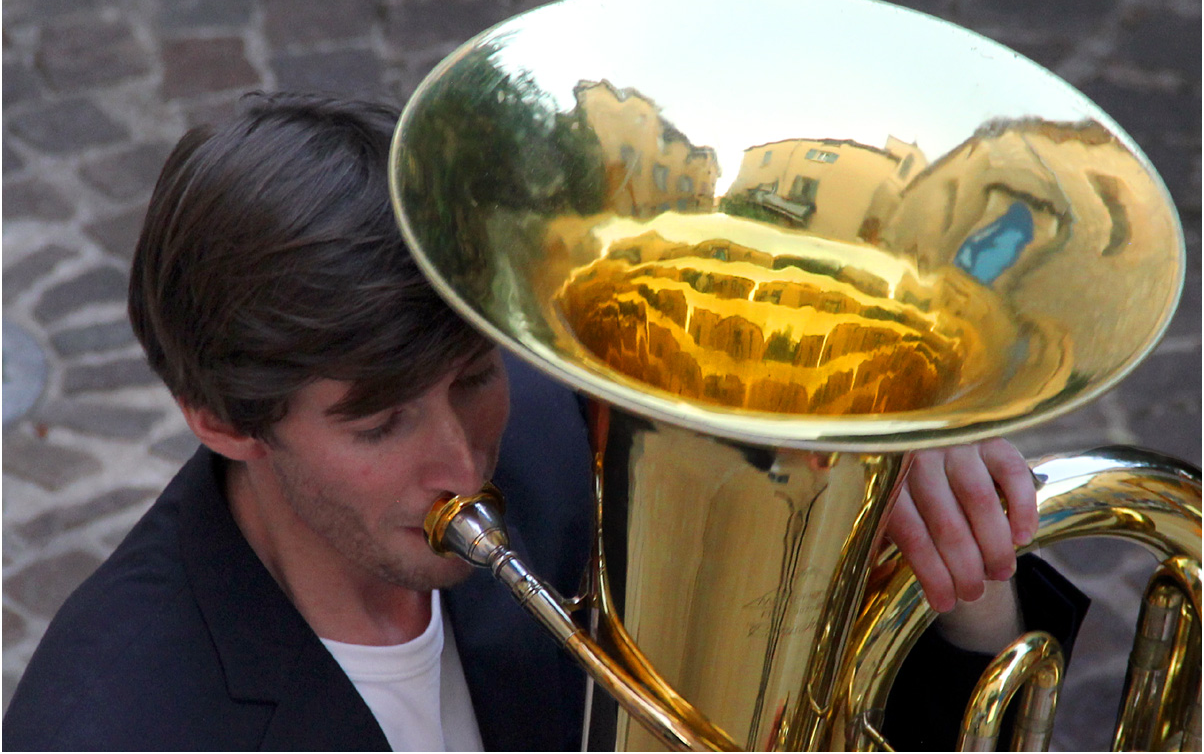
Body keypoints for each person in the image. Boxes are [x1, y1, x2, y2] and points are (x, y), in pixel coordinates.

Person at [3, 93, 1085, 751]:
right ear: (224, 422)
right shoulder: (112, 731)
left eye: (473, 378)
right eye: (378, 424)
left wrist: (962, 587)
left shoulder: (580, 455)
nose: (463, 459)